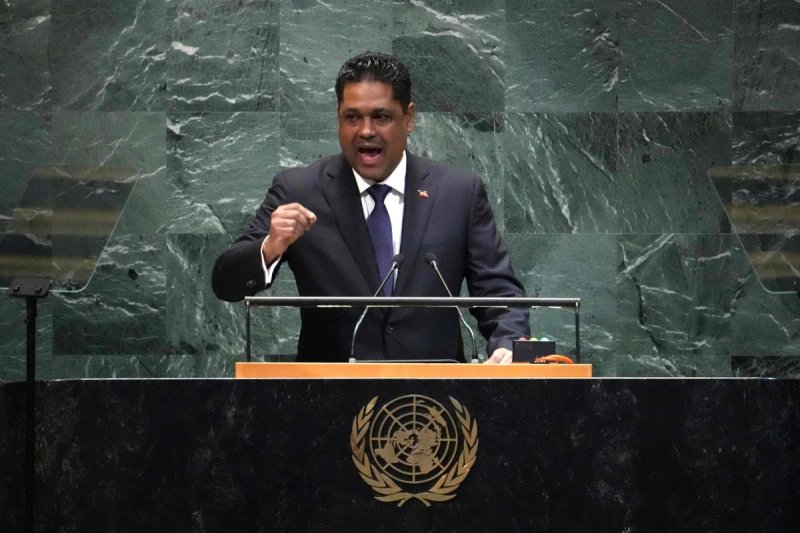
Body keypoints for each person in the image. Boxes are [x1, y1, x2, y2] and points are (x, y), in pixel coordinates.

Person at [212, 52, 529, 363]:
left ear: (408, 118)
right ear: (338, 116)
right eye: (352, 117)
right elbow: (227, 284)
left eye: (381, 116)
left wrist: (508, 346)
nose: (366, 131)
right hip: (328, 399)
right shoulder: (300, 190)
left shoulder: (457, 193)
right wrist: (270, 247)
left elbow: (499, 292)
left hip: (434, 401)